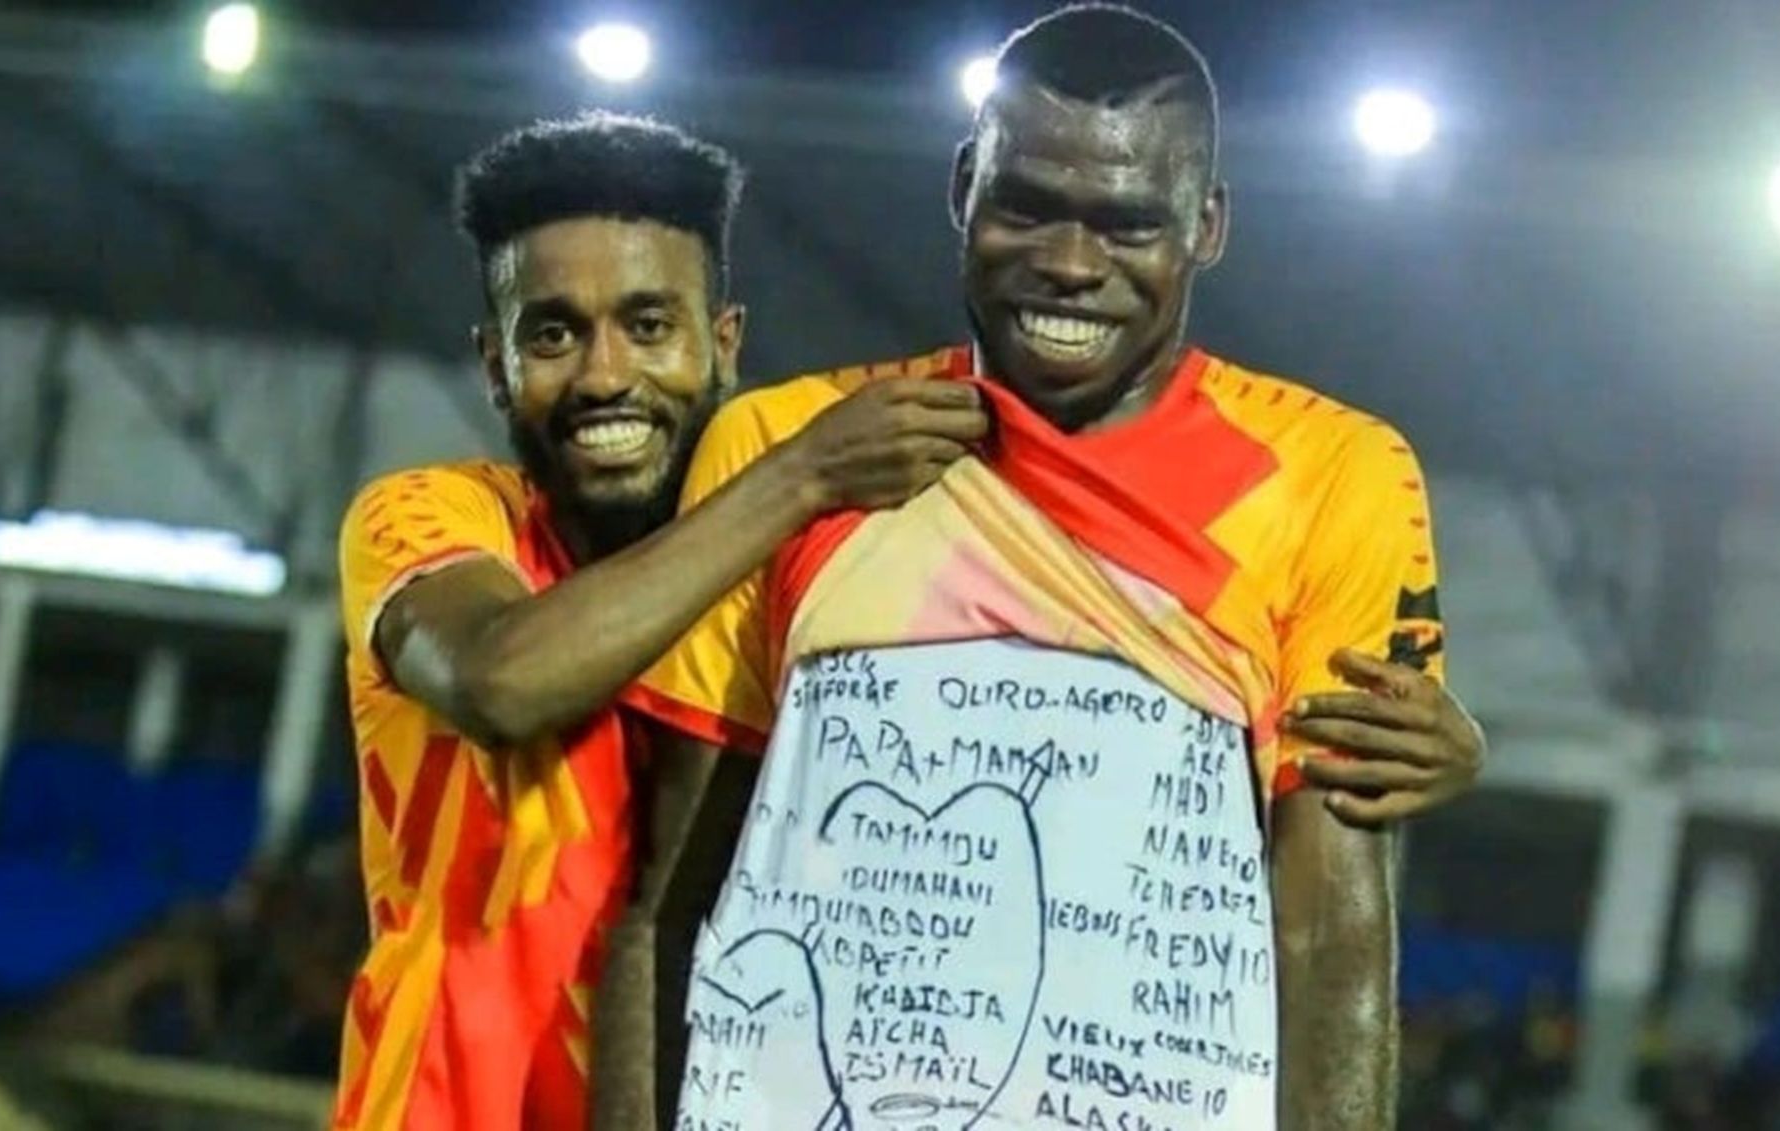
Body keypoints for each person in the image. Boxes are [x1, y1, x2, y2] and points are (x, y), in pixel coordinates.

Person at [605, 6, 1487, 1129]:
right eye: (1026, 208)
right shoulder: (794, 449)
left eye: (1128, 225)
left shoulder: (1329, 474)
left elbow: (1330, 929)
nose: (1071, 264)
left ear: (1207, 225)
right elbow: (669, 899)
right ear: (962, 187)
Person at [330, 112, 991, 1131]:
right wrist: (803, 472)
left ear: (722, 343)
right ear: (495, 364)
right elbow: (500, 682)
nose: (603, 376)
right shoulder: (430, 517)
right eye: (553, 334)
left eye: (648, 326)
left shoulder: (792, 582)